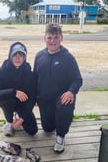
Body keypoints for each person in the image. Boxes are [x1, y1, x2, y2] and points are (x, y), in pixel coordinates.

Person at [33, 23, 83, 153]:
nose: (52, 41)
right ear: (45, 38)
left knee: (65, 104)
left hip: (61, 97)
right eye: (49, 37)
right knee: (48, 129)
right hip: (45, 99)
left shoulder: (68, 58)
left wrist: (71, 92)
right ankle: (57, 120)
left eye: (56, 37)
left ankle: (61, 135)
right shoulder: (39, 56)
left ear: (61, 38)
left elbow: (77, 79)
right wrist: (35, 97)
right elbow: (34, 78)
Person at [0, 41, 38, 136]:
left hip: (22, 103)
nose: (17, 58)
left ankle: (17, 115)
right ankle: (9, 121)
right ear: (10, 56)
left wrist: (22, 119)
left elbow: (32, 98)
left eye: (21, 55)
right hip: (8, 101)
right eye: (14, 55)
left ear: (24, 57)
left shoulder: (29, 73)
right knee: (9, 101)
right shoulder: (2, 71)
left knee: (33, 130)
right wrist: (14, 92)